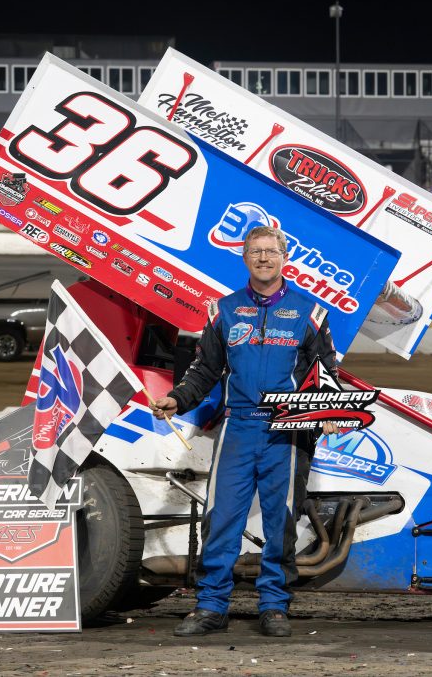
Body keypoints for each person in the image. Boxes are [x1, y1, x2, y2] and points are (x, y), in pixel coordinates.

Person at [151, 226, 339, 638]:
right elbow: (204, 371)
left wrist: (327, 409)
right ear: (245, 258)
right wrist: (178, 400)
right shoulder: (223, 310)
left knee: (280, 521)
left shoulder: (311, 312)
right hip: (237, 427)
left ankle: (274, 606)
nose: (264, 258)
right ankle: (211, 606)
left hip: (286, 432)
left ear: (285, 257)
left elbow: (324, 373)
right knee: (221, 519)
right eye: (255, 252)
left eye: (271, 251)